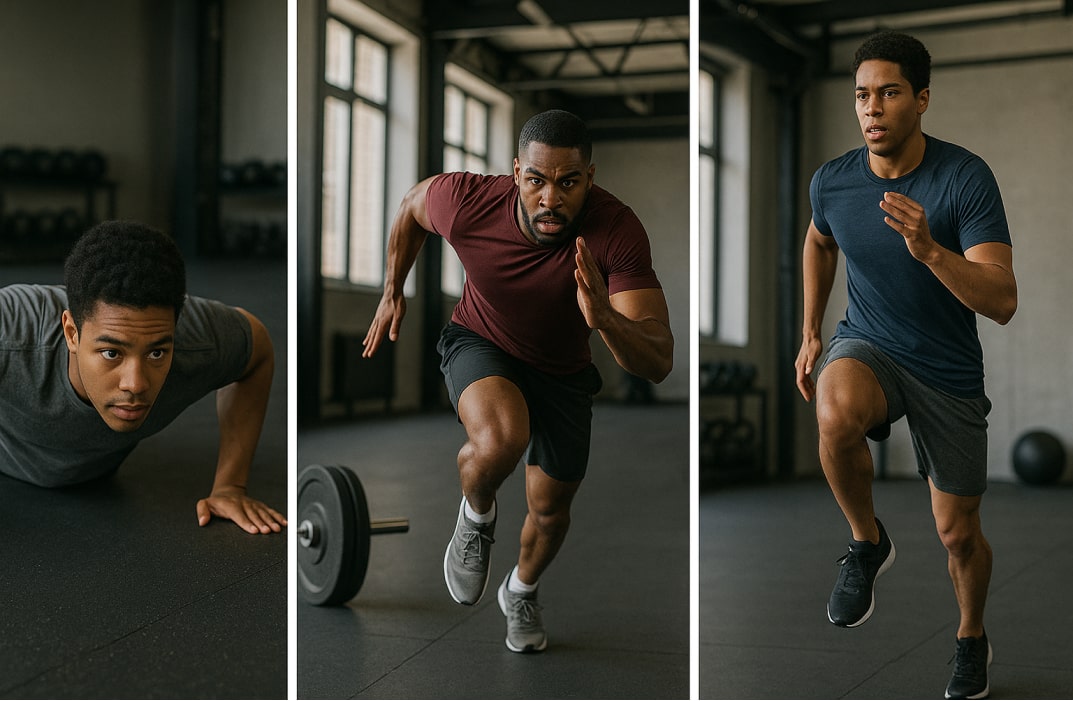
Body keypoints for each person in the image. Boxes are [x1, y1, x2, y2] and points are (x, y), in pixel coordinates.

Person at [363, 109, 673, 653]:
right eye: (536, 180)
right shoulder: (468, 201)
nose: (550, 199)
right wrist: (393, 288)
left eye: (568, 182)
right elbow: (412, 206)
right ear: (515, 173)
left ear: (590, 178)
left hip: (564, 372)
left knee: (550, 512)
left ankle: (521, 590)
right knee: (500, 438)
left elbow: (658, 360)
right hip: (481, 343)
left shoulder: (615, 230)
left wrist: (605, 319)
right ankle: (476, 516)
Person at [794, 31, 1016, 699]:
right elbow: (817, 238)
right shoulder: (832, 181)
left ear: (919, 99)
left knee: (957, 533)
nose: (872, 108)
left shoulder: (962, 178)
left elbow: (1001, 299)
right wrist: (810, 330)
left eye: (888, 93)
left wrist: (930, 251)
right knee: (832, 411)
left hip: (945, 370)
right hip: (868, 341)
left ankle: (970, 637)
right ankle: (866, 542)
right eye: (862, 95)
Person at [0, 220, 287, 535]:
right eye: (112, 353)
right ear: (71, 333)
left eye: (156, 354)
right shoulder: (14, 334)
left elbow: (257, 347)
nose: (136, 385)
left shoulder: (197, 340)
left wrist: (231, 486)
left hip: (98, 484)